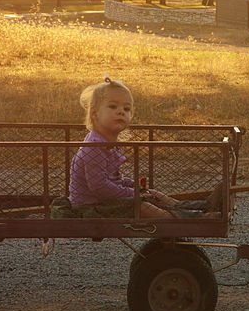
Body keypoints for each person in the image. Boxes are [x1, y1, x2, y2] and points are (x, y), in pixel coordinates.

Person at [63, 76, 215, 219]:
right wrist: (133, 193)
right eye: (113, 106)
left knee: (152, 194)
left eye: (127, 109)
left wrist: (135, 187)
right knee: (142, 206)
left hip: (104, 201)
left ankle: (196, 207)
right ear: (94, 114)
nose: (121, 111)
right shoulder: (95, 147)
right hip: (90, 206)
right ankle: (190, 219)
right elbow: (99, 187)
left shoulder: (110, 144)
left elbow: (114, 180)